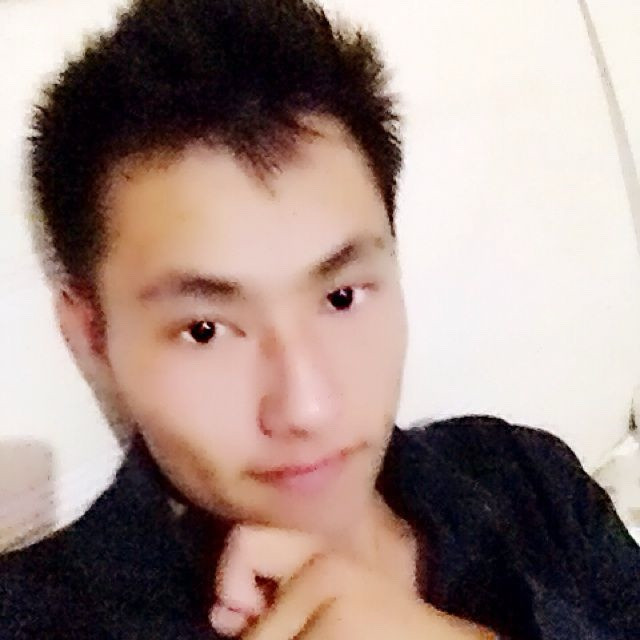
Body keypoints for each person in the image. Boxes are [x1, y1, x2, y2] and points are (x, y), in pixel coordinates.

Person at [1, 0, 638, 638]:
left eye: (341, 298)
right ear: (92, 337)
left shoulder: (524, 477)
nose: (307, 407)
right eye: (205, 331)